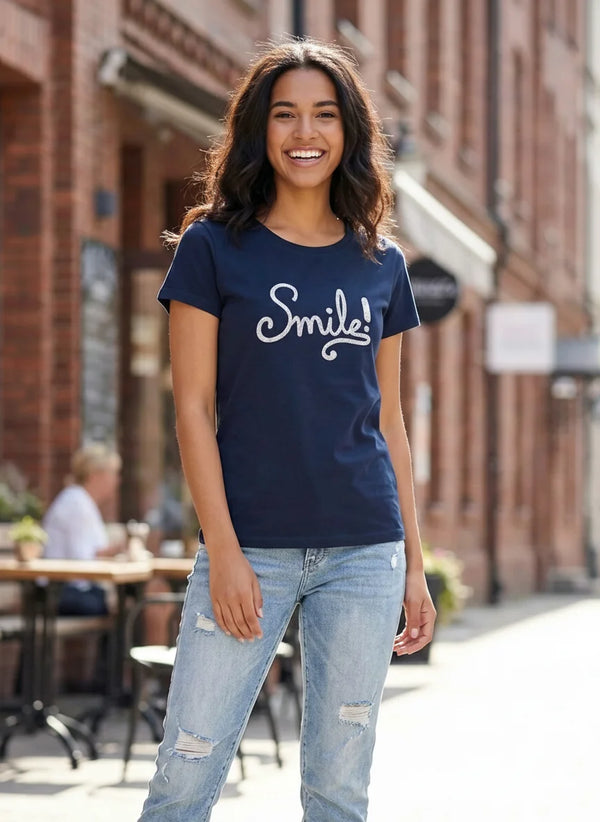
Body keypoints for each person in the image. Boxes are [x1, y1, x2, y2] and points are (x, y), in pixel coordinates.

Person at [139, 38, 436, 822]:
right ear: (259, 131)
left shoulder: (383, 264)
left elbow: (390, 421)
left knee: (339, 792)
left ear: (349, 133)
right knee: (185, 779)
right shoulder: (212, 248)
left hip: (364, 550)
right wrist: (224, 551)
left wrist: (413, 562)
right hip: (251, 548)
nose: (305, 132)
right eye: (286, 114)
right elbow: (192, 411)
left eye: (325, 115)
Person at [43, 444, 124, 615]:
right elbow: (82, 562)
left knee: (127, 602)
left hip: (70, 590)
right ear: (95, 476)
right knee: (124, 604)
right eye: (113, 474)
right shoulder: (76, 504)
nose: (117, 481)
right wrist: (116, 551)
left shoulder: (82, 501)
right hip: (63, 592)